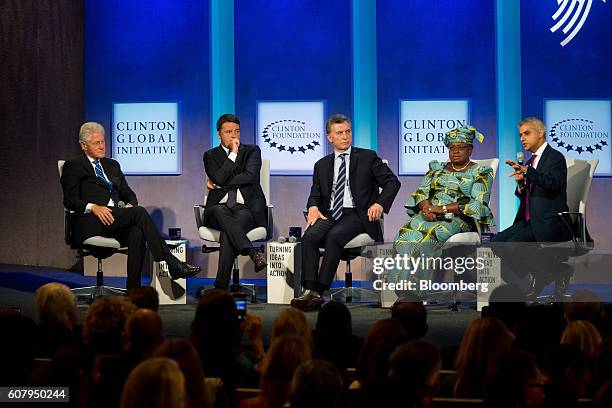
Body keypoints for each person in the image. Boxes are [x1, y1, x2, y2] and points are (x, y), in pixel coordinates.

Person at [60, 122, 200, 290]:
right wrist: (94, 207)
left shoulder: (112, 165)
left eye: (102, 142)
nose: (101, 146)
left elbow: (129, 193)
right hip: (91, 221)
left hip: (115, 219)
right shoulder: (73, 165)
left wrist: (129, 205)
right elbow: (69, 201)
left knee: (137, 231)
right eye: (96, 143)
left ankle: (133, 290)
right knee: (139, 213)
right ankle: (171, 262)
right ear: (84, 145)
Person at [291, 114, 401, 311]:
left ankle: (319, 292)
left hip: (359, 214)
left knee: (334, 237)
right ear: (329, 137)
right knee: (309, 238)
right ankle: (308, 289)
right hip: (331, 213)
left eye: (348, 132)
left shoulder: (368, 157)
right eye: (339, 133)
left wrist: (379, 204)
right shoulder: (322, 165)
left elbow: (392, 182)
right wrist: (313, 207)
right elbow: (315, 194)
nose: (345, 136)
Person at [392, 125, 494, 295]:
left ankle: (416, 293)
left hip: (457, 218)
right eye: (452, 147)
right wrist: (426, 209)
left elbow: (477, 204)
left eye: (460, 147)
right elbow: (421, 193)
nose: (455, 151)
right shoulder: (437, 168)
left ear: (470, 149)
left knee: (428, 238)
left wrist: (440, 208)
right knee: (405, 235)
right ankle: (401, 289)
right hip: (429, 214)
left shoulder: (481, 171)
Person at [493, 117, 571, 298]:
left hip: (549, 221)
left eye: (526, 133)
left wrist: (528, 172)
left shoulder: (555, 157)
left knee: (513, 246)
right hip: (529, 221)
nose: (522, 139)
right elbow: (525, 197)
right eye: (520, 135)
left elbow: (555, 185)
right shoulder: (529, 163)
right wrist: (521, 184)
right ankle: (552, 272)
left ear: (541, 133)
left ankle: (546, 275)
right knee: (496, 243)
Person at [203, 114, 267, 290]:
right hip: (217, 208)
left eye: (237, 131)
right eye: (229, 131)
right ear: (219, 134)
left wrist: (219, 182)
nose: (233, 135)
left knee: (228, 232)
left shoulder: (253, 150)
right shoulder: (210, 155)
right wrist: (233, 154)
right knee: (220, 212)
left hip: (245, 207)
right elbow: (217, 176)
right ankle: (253, 253)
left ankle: (220, 287)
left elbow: (250, 176)